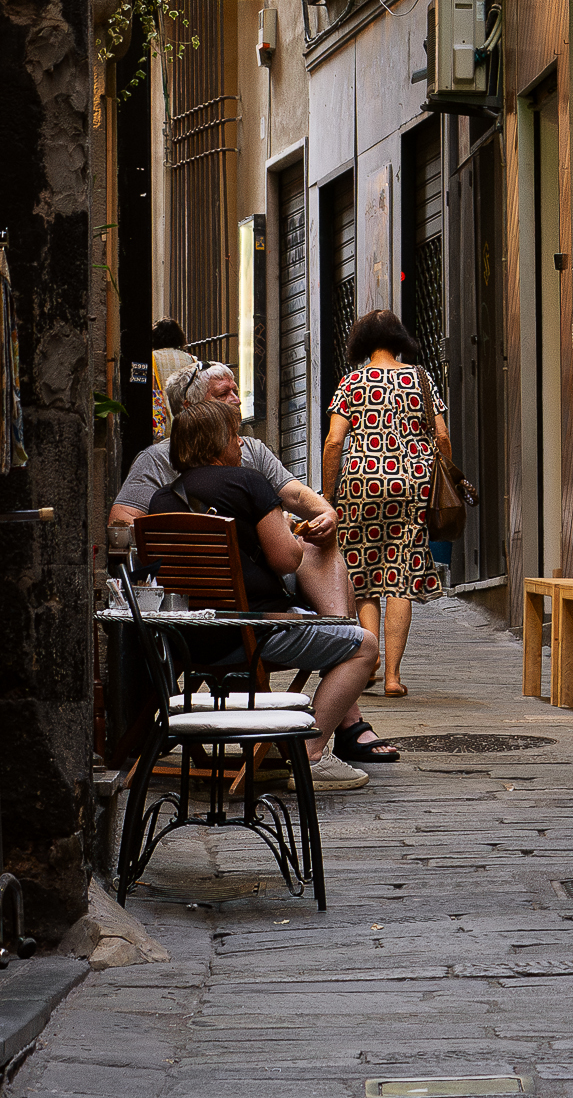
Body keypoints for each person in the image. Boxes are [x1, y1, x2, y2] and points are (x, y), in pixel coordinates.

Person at [145, 398, 386, 788]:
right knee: (364, 646)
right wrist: (291, 534)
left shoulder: (161, 500)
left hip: (193, 643)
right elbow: (287, 560)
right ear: (214, 443)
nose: (241, 443)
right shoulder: (248, 482)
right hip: (254, 633)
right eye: (234, 435)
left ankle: (275, 740)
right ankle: (313, 753)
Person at [322, 311, 449, 699]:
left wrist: (329, 497)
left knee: (362, 576)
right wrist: (441, 474)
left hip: (361, 487)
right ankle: (393, 676)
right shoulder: (421, 379)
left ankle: (368, 662)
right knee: (400, 578)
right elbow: (441, 435)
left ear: (360, 342)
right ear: (400, 339)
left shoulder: (352, 382)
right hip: (411, 486)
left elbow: (333, 442)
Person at [110, 361, 339, 549]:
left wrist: (326, 512)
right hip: (194, 576)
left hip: (262, 569)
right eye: (223, 394)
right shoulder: (156, 459)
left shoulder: (253, 450)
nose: (236, 400)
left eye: (236, 392)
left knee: (322, 548)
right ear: (191, 408)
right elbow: (121, 522)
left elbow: (296, 495)